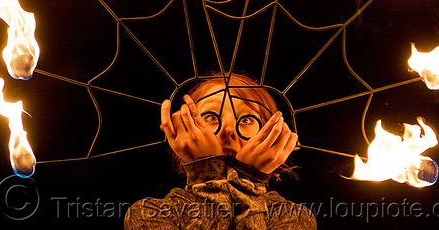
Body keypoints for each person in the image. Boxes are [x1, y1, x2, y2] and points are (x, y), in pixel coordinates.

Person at [124, 72, 317, 229]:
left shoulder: (294, 218)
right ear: (185, 128)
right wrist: (214, 176)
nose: (229, 130)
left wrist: (246, 179)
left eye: (247, 119)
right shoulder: (149, 214)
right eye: (210, 117)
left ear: (271, 134)